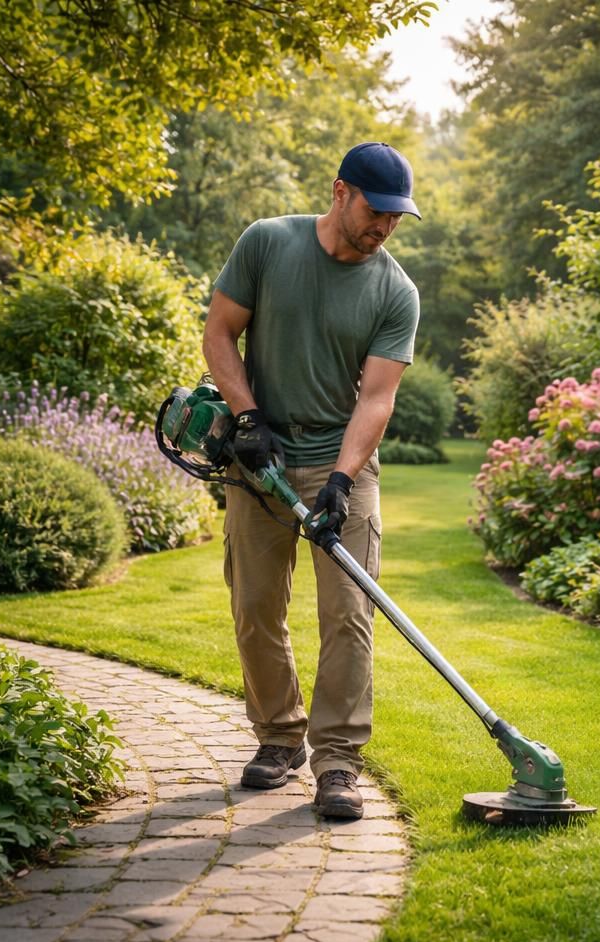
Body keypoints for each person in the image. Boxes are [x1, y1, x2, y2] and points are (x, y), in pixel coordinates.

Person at [202, 142, 421, 819]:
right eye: (376, 210)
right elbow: (219, 334)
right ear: (340, 192)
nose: (384, 226)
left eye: (396, 217)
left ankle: (337, 763)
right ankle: (278, 738)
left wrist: (342, 479)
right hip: (257, 456)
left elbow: (377, 398)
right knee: (256, 607)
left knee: (349, 615)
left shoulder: (395, 291)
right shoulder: (268, 244)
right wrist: (247, 416)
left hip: (339, 460)